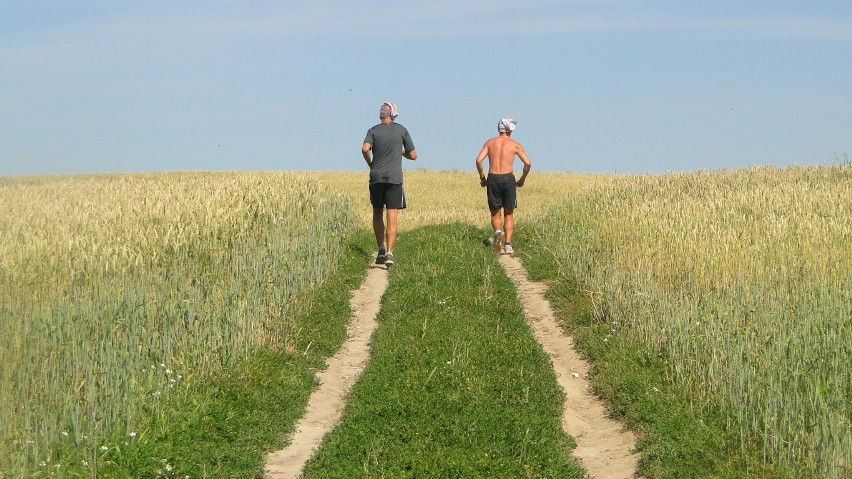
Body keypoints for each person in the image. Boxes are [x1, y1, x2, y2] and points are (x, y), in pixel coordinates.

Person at [362, 101, 417, 267]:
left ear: (381, 115)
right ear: (393, 114)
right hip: (394, 179)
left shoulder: (373, 130)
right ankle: (389, 252)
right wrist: (399, 151)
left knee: (377, 212)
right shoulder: (402, 130)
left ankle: (380, 248)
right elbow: (413, 155)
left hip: (376, 178)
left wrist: (371, 164)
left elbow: (365, 148)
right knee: (392, 215)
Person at [475, 118, 531, 256]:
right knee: (509, 213)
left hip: (493, 178)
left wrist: (482, 177)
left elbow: (478, 160)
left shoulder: (490, 143)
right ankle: (508, 245)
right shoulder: (515, 145)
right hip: (508, 178)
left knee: (495, 212)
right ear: (510, 129)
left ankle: (497, 232)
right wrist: (522, 179)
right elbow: (528, 164)